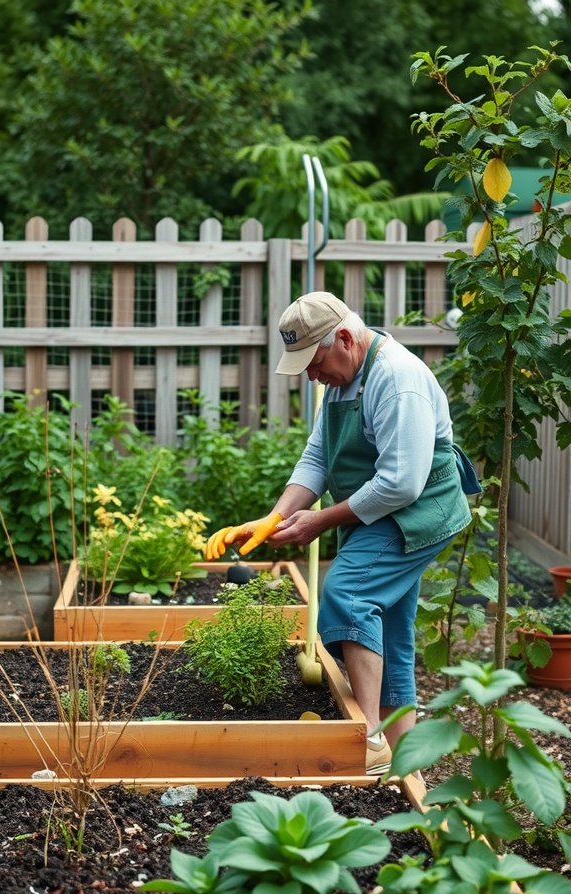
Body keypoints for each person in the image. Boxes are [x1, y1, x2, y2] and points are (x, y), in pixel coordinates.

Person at [205, 291, 480, 775]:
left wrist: (320, 520)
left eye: (314, 362)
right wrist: (276, 516)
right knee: (389, 629)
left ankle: (367, 739)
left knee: (348, 595)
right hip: (384, 510)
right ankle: (405, 764)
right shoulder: (342, 380)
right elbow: (317, 457)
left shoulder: (397, 379)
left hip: (420, 510)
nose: (311, 375)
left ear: (346, 340)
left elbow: (401, 482)